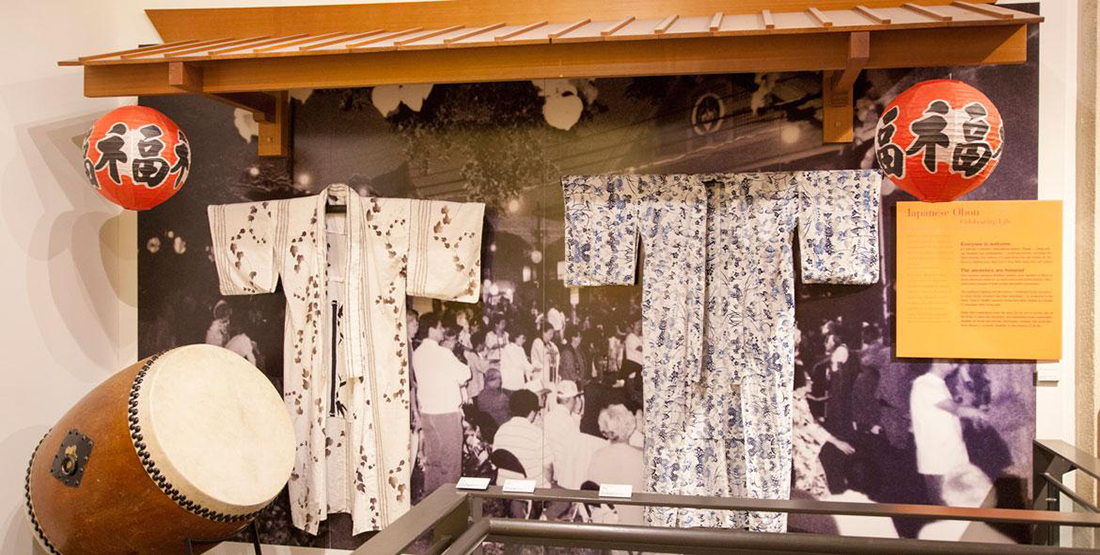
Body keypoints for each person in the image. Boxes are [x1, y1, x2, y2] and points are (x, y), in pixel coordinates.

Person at [910, 361, 987, 504]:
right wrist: (980, 414)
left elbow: (950, 416)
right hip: (940, 463)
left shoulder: (937, 384)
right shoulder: (925, 385)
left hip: (950, 458)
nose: (955, 366)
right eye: (952, 362)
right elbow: (956, 410)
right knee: (947, 510)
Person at [412, 313, 472, 496]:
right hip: (446, 413)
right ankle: (449, 508)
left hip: (428, 413)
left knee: (433, 462)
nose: (442, 331)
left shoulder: (417, 353)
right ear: (432, 330)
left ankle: (431, 503)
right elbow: (465, 375)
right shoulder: (443, 353)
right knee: (451, 464)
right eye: (439, 327)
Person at [587, 404, 645, 525]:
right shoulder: (643, 457)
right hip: (639, 527)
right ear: (630, 427)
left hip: (608, 526)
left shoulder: (596, 457)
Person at [493, 390, 554, 487]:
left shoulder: (501, 430)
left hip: (503, 488)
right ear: (532, 412)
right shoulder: (536, 433)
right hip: (529, 491)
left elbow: (495, 462)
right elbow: (548, 467)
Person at [544, 380, 583, 486]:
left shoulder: (547, 417)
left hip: (548, 472)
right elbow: (577, 451)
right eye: (576, 398)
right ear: (570, 399)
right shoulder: (569, 422)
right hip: (563, 476)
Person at [500, 329, 533, 395]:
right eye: (523, 338)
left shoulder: (521, 349)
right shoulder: (508, 348)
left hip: (519, 383)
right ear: (516, 337)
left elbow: (525, 363)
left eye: (525, 339)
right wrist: (532, 368)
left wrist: (530, 376)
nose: (524, 341)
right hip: (509, 384)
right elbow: (518, 363)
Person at [530, 322, 559, 386]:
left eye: (552, 334)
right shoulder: (537, 342)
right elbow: (543, 358)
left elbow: (557, 356)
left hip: (549, 375)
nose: (552, 336)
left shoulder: (552, 345)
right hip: (540, 375)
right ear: (543, 333)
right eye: (550, 334)